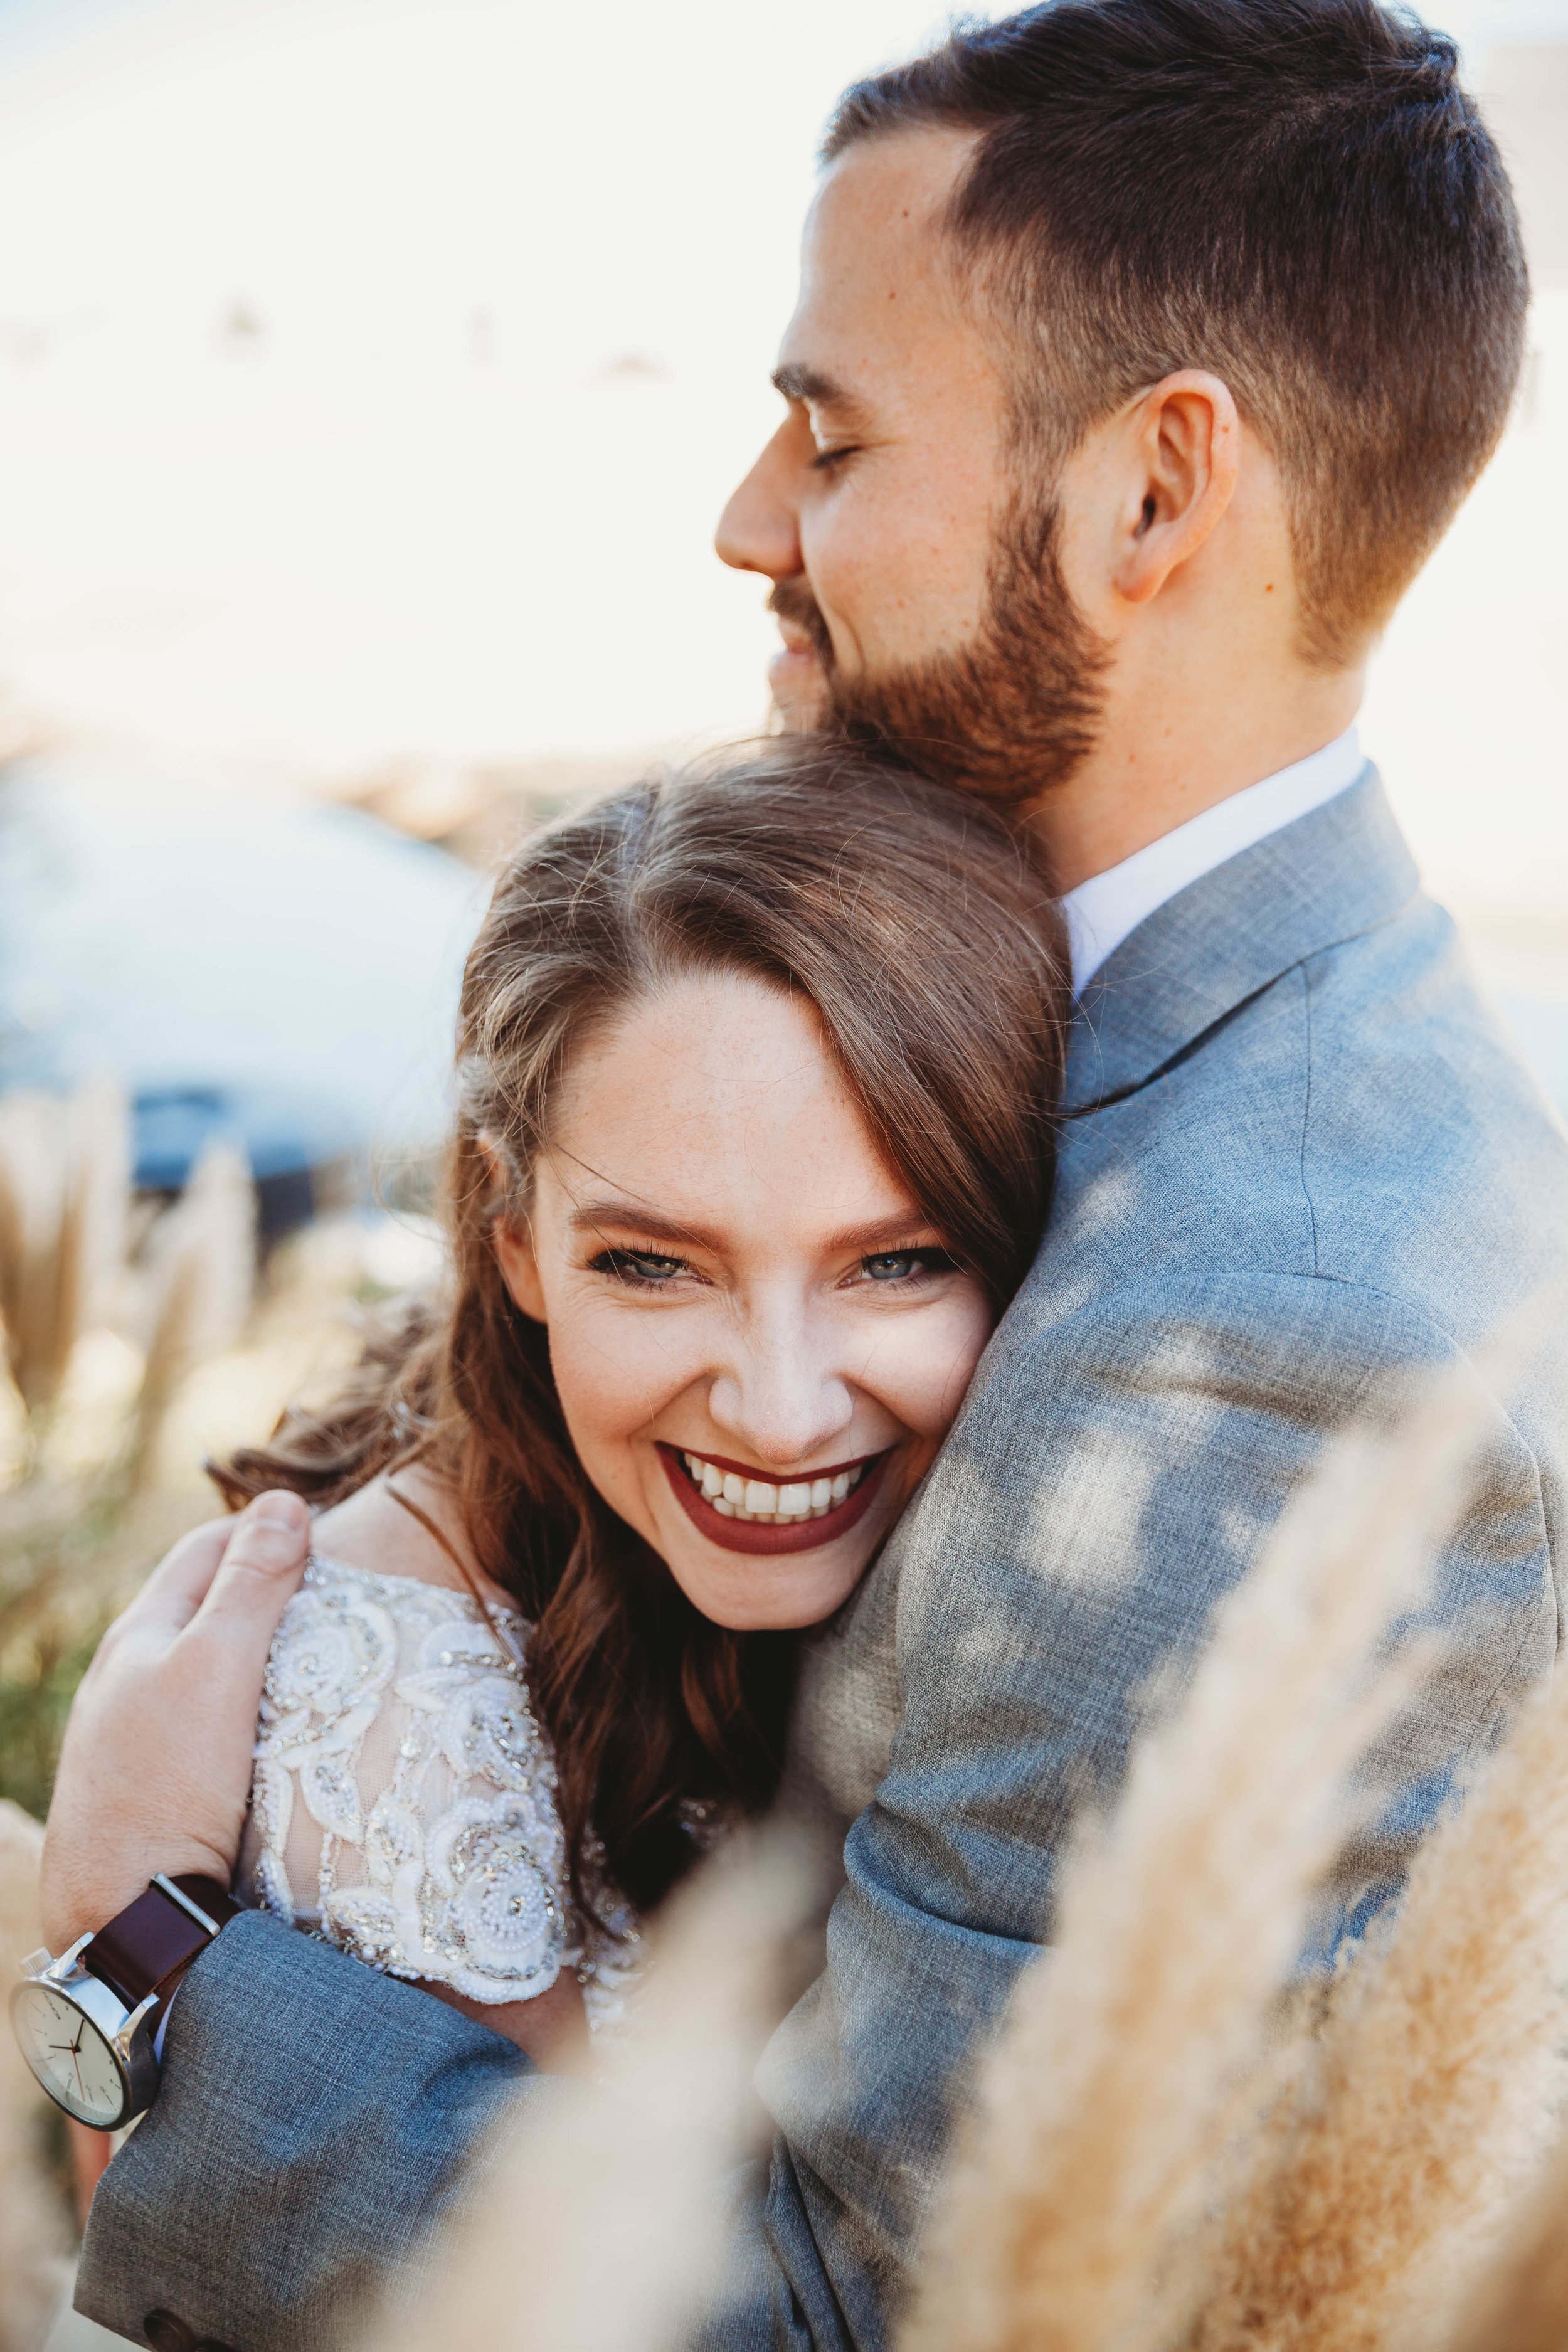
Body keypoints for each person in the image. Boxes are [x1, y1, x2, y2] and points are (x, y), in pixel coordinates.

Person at [40, 1, 1568, 2345]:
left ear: (1153, 496)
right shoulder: (1275, 1051)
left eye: (832, 435)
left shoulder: (1251, 1310)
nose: (749, 518)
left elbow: (864, 2316)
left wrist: (143, 1947)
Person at [213, 746, 1065, 2069]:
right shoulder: (403, 1724)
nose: (778, 1415)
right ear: (511, 1234)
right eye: (654, 1266)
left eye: (895, 1261)